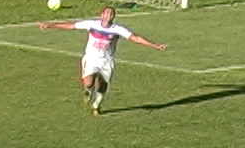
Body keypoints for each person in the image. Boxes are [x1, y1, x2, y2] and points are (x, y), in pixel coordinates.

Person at [38, 6, 166, 116]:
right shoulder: (92, 25)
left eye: (111, 14)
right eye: (106, 13)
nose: (108, 15)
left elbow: (135, 38)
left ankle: (96, 106)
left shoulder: (117, 29)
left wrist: (155, 45)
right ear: (101, 15)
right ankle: (88, 91)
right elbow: (71, 25)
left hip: (107, 61)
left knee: (102, 85)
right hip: (91, 58)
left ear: (113, 17)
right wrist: (50, 25)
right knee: (88, 82)